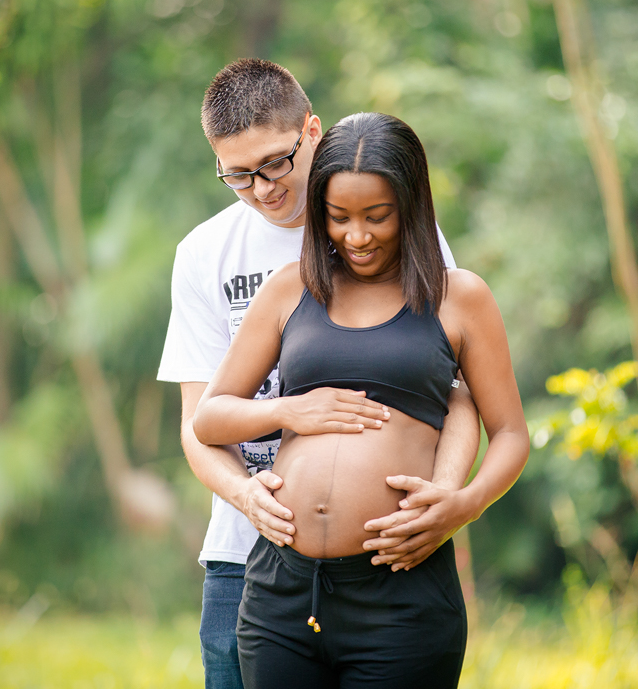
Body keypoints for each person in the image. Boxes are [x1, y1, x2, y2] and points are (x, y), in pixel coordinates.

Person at [156, 60, 482, 689]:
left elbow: (457, 388)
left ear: (312, 130)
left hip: (384, 560)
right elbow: (199, 421)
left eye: (277, 163)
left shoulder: (388, 229)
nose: (263, 189)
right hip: (247, 553)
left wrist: (447, 496)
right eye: (238, 175)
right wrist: (246, 495)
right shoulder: (203, 254)